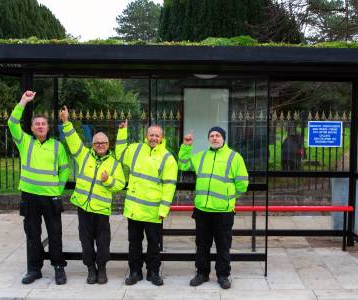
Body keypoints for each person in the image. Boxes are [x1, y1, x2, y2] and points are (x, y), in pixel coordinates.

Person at [7, 91, 69, 285]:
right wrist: (23, 102)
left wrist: (57, 191)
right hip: (30, 196)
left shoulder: (57, 146)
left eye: (43, 123)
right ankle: (34, 269)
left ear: (48, 127)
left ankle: (59, 268)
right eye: (37, 124)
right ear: (32, 129)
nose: (40, 126)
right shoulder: (25, 142)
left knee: (55, 234)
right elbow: (11, 123)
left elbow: (64, 170)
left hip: (50, 197)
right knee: (33, 234)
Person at [60, 106, 125, 284]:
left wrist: (108, 180)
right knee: (86, 241)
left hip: (102, 210)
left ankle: (102, 269)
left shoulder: (114, 163)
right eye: (97, 143)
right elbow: (73, 142)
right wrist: (66, 123)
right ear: (93, 144)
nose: (100, 146)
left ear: (108, 144)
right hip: (83, 207)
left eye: (103, 143)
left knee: (103, 242)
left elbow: (120, 184)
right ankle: (90, 268)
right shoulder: (84, 156)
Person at [178, 127, 249, 289]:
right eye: (211, 135)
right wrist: (186, 146)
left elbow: (242, 184)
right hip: (203, 210)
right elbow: (183, 165)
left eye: (217, 135)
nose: (214, 138)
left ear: (223, 138)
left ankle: (223, 276)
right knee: (202, 245)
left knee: (223, 246)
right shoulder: (201, 156)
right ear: (208, 139)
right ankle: (202, 273)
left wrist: (229, 198)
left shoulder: (234, 157)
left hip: (223, 211)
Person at [115, 120, 178, 286]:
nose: (154, 138)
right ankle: (135, 272)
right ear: (146, 136)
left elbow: (169, 186)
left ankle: (153, 273)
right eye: (151, 135)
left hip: (154, 211)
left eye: (157, 135)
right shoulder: (136, 149)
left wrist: (164, 209)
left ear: (162, 137)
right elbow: (120, 154)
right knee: (134, 243)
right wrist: (122, 132)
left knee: (153, 245)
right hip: (135, 209)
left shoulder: (167, 158)